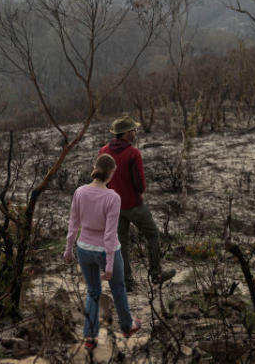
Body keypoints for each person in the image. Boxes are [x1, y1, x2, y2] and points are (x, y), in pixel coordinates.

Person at [63, 153, 141, 349]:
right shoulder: (113, 197)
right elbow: (109, 233)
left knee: (93, 291)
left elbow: (73, 224)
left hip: (84, 249)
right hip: (107, 252)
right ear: (111, 174)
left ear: (95, 168)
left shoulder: (80, 192)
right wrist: (108, 264)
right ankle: (127, 326)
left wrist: (68, 250)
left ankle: (90, 337)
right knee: (118, 289)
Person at [100, 116, 175, 292]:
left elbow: (102, 179)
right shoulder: (133, 153)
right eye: (133, 130)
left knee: (122, 243)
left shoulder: (103, 151)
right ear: (126, 133)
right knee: (152, 235)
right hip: (133, 204)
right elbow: (140, 184)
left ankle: (127, 282)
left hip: (113, 205)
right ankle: (156, 274)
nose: (135, 132)